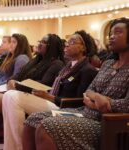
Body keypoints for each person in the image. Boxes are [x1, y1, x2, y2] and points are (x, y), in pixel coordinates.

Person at [22, 17, 129, 150]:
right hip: (85, 111)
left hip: (106, 122)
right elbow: (89, 91)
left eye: (118, 32)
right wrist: (98, 99)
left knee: (47, 126)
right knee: (32, 120)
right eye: (110, 33)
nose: (112, 37)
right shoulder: (108, 64)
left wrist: (105, 103)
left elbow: (126, 104)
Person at [2, 30, 98, 150]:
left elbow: (80, 101)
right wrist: (45, 93)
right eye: (67, 42)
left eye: (72, 42)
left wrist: (50, 97)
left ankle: (18, 147)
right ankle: (10, 147)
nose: (67, 45)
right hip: (54, 101)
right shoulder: (68, 67)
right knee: (9, 95)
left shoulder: (87, 70)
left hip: (66, 108)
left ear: (83, 47)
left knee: (13, 97)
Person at [0, 33, 64, 145]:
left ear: (51, 46)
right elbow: (18, 75)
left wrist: (18, 85)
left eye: (43, 42)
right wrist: (12, 81)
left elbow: (43, 84)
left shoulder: (56, 63)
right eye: (39, 41)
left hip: (37, 96)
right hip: (22, 90)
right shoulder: (36, 60)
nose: (39, 44)